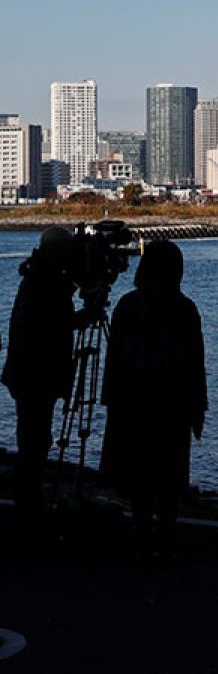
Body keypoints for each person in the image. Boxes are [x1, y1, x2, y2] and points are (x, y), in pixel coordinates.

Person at [100, 240, 207, 561]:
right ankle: (167, 536)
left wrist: (111, 401)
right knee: (170, 473)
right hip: (173, 403)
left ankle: (141, 531)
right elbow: (195, 362)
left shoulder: (128, 306)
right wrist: (198, 407)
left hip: (133, 402)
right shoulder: (185, 308)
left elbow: (114, 360)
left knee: (138, 473)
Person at [2, 227, 88, 541]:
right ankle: (29, 515)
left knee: (34, 443)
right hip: (36, 375)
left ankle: (30, 509)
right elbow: (48, 327)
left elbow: (51, 324)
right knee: (34, 445)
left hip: (29, 374)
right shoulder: (45, 284)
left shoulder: (39, 278)